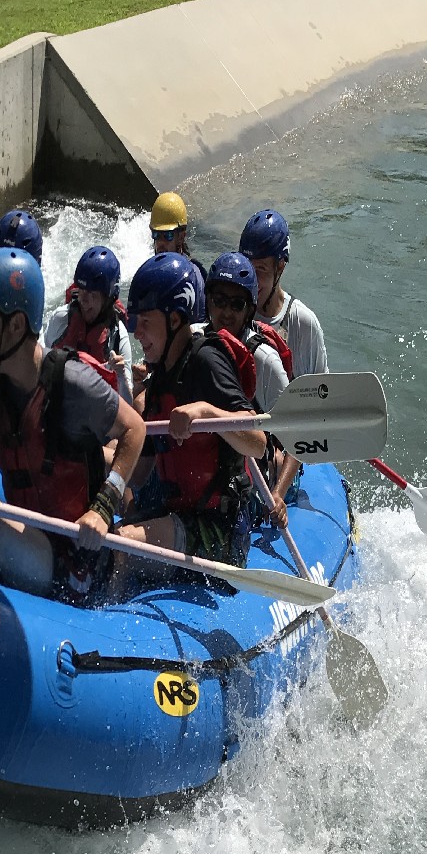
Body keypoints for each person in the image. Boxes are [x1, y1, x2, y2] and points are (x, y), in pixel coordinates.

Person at [0, 248, 146, 600]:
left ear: (17, 326)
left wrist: (102, 508)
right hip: (27, 537)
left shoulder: (71, 382)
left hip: (73, 559)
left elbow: (135, 429)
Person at [119, 252, 266, 571]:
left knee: (120, 547)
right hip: (177, 513)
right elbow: (139, 473)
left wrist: (206, 412)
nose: (137, 333)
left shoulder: (206, 361)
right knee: (104, 537)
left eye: (145, 322)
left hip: (220, 531)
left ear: (174, 320)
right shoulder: (159, 378)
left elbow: (258, 442)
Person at [239, 208, 328, 514]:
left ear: (281, 267)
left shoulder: (302, 323)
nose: (252, 281)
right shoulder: (233, 309)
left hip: (282, 450)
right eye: (247, 269)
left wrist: (278, 492)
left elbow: (311, 417)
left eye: (261, 270)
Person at [205, 252, 293, 527]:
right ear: (208, 301)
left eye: (237, 304)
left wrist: (278, 494)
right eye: (219, 301)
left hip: (253, 475)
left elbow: (296, 436)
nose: (226, 312)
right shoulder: (195, 341)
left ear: (249, 310)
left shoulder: (264, 359)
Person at [44, 245, 134, 403]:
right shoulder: (60, 318)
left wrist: (120, 376)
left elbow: (128, 404)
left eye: (92, 293)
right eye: (82, 290)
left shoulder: (118, 334)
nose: (84, 300)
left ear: (108, 297)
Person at [149, 192, 207, 322]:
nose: (161, 243)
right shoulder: (149, 274)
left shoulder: (193, 276)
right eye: (156, 235)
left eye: (168, 235)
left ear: (181, 237)